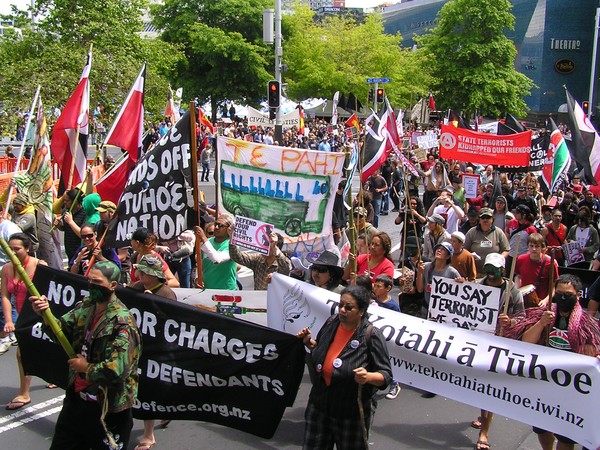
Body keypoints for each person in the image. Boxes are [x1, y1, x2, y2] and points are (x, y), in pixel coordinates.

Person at [30, 261, 141, 450]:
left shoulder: (123, 323)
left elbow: (118, 370)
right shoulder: (87, 306)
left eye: (97, 281)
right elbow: (62, 332)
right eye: (89, 280)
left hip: (108, 409)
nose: (91, 285)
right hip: (76, 402)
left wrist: (86, 368)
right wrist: (45, 314)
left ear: (113, 285)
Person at [506, 274, 600, 450]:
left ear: (578, 295)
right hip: (544, 385)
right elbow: (527, 343)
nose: (563, 297)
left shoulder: (586, 325)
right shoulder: (545, 315)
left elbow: (589, 356)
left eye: (568, 294)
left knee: (565, 437)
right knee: (541, 429)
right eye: (560, 293)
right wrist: (541, 324)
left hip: (570, 389)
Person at [296, 285, 393, 450]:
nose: (342, 310)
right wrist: (309, 343)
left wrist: (368, 377)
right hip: (319, 405)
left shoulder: (371, 335)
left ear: (361, 311)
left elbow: (386, 376)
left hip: (350, 412)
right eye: (341, 305)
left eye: (349, 307)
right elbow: (321, 349)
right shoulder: (331, 322)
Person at [472, 253, 525, 450]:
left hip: (500, 343)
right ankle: (483, 414)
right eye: (488, 268)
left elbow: (522, 317)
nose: (490, 273)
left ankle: (484, 431)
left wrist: (510, 321)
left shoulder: (512, 291)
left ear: (502, 270)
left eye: (494, 269)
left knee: (489, 386)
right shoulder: (477, 285)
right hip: (478, 342)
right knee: (478, 384)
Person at [129, 254, 176, 450]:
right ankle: (149, 432)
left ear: (155, 275)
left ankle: (164, 409)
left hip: (159, 349)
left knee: (157, 386)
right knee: (143, 388)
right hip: (138, 346)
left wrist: (154, 305)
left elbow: (171, 324)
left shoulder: (166, 294)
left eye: (144, 271)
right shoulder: (136, 288)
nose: (139, 273)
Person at [2, 234, 47, 408]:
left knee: (22, 354)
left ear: (27, 248)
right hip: (22, 316)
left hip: (39, 315)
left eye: (17, 249)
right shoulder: (6, 269)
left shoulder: (39, 265)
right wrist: (8, 320)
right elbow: (5, 296)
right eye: (10, 249)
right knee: (28, 352)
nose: (13, 253)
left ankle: (24, 393)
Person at [372, 274, 402, 400]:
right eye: (375, 285)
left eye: (379, 286)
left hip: (386, 339)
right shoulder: (373, 299)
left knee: (387, 362)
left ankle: (394, 384)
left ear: (388, 288)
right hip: (373, 336)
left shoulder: (393, 306)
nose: (375, 288)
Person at [416, 242, 462, 314]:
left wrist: (461, 282)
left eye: (443, 249)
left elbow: (460, 293)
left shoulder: (453, 272)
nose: (439, 250)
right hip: (426, 308)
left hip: (443, 312)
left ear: (448, 256)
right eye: (438, 248)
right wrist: (420, 273)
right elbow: (420, 289)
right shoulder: (425, 267)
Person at [514, 233, 559, 307]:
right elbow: (518, 277)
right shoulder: (520, 259)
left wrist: (546, 300)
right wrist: (518, 292)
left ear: (542, 247)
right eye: (531, 246)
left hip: (541, 303)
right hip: (523, 302)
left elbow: (554, 286)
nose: (534, 249)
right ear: (528, 246)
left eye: (537, 246)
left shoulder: (550, 263)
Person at [193, 214, 237, 289]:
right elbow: (201, 264)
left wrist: (203, 237)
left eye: (221, 226)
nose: (216, 227)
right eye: (216, 224)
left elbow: (217, 259)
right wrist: (198, 279)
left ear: (229, 229)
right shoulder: (208, 242)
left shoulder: (232, 245)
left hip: (226, 291)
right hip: (207, 290)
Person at [464, 207, 511, 276]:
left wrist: (499, 259)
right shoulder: (471, 232)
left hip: (493, 273)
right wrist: (470, 256)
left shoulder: (499, 232)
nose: (485, 220)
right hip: (475, 272)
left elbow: (506, 250)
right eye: (483, 218)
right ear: (479, 220)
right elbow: (464, 249)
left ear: (492, 220)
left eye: (488, 217)